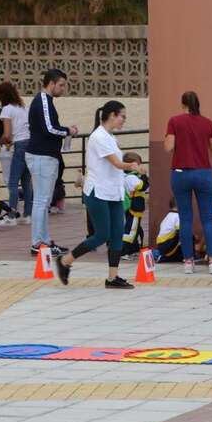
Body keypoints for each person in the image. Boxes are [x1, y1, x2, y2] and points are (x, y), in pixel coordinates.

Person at [56, 101, 135, 289]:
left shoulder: (110, 137)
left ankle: (112, 278)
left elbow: (115, 168)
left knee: (117, 234)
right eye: (122, 116)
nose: (124, 120)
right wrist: (132, 166)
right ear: (112, 115)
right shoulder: (98, 137)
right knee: (101, 235)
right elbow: (116, 163)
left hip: (113, 193)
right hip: (98, 192)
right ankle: (65, 261)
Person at [164, 91, 212, 275]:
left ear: (182, 104)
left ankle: (188, 262)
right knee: (208, 218)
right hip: (203, 174)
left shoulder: (174, 121)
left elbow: (168, 146)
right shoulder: (208, 123)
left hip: (180, 174)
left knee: (185, 218)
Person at [25, 69, 78, 257]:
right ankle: (38, 243)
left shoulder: (45, 102)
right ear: (51, 83)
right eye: (61, 85)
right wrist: (67, 131)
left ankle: (44, 241)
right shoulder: (43, 101)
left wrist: (64, 131)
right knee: (41, 201)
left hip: (44, 157)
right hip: (42, 156)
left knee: (44, 201)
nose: (63, 89)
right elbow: (49, 129)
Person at [0, 82, 32, 225]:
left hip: (19, 146)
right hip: (30, 144)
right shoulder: (23, 107)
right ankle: (27, 215)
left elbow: (7, 135)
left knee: (12, 182)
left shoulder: (6, 109)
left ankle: (11, 216)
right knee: (26, 182)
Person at [121, 152, 149, 258]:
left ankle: (132, 249)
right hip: (133, 207)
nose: (140, 167)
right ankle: (123, 251)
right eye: (138, 164)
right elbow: (142, 186)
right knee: (131, 230)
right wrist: (143, 175)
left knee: (135, 228)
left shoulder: (130, 176)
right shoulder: (130, 178)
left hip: (136, 207)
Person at [155, 198, 182, 263]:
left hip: (162, 244)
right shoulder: (177, 216)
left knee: (178, 257)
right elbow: (180, 232)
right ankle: (162, 258)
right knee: (184, 237)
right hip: (166, 245)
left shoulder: (169, 215)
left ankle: (173, 257)